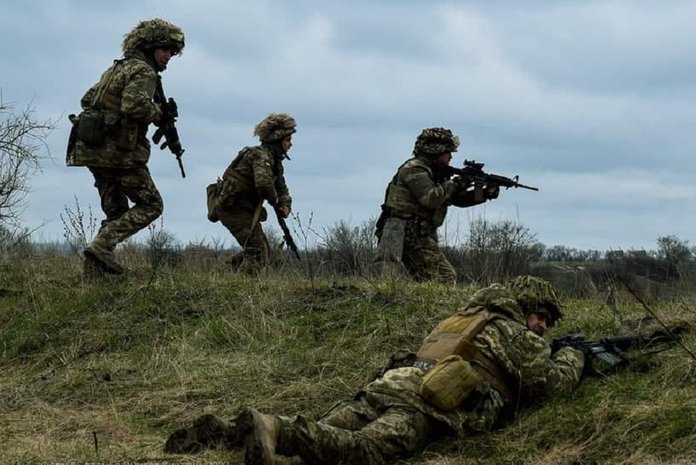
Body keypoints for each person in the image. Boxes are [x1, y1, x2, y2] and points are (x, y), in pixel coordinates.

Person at [164, 275, 585, 465]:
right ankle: (276, 428)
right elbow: (551, 388)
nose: (543, 327)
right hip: (424, 406)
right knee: (364, 451)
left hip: (389, 386)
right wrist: (572, 356)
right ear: (525, 307)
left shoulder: (462, 319)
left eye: (548, 323)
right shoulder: (516, 334)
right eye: (541, 316)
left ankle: (228, 432)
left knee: (328, 432)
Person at [67, 18, 185, 276]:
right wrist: (159, 111)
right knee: (152, 205)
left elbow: (88, 98)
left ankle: (93, 277)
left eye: (172, 52)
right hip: (119, 155)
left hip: (91, 151)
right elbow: (134, 106)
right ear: (150, 47)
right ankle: (102, 245)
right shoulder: (144, 71)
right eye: (165, 50)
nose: (168, 56)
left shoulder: (117, 68)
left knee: (116, 211)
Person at [375, 127, 499, 283]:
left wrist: (484, 193)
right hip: (401, 233)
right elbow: (430, 198)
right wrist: (455, 184)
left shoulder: (437, 173)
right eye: (447, 152)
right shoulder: (414, 169)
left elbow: (457, 200)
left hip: (419, 234)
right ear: (434, 151)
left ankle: (419, 305)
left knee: (435, 279)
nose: (450, 157)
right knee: (441, 278)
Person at [209, 113, 296, 273]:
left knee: (264, 252)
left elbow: (280, 185)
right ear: (277, 140)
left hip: (243, 209)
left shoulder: (273, 160)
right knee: (257, 252)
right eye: (288, 140)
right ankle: (243, 289)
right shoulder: (261, 156)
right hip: (233, 208)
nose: (291, 144)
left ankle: (223, 272)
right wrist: (276, 202)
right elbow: (263, 183)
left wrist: (285, 203)